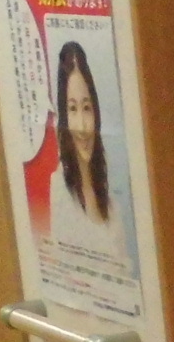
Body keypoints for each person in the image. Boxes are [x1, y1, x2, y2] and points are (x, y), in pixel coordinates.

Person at [47, 38, 127, 265]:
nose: (82, 126)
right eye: (72, 109)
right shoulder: (59, 190)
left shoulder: (111, 206)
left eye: (87, 108)